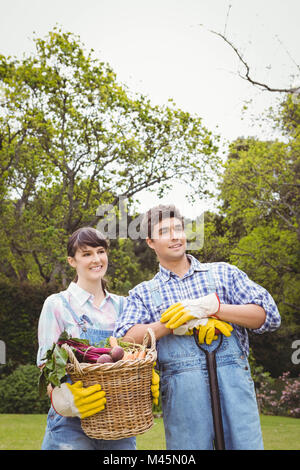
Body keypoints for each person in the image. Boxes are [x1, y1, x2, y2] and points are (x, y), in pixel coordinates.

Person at [114, 204, 281, 450]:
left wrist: (213, 309)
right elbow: (125, 341)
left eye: (178, 228)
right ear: (150, 242)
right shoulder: (144, 293)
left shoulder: (224, 274)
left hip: (234, 390)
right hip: (184, 399)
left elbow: (267, 316)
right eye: (164, 231)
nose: (175, 236)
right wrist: (170, 323)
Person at [37, 227, 158, 451]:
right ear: (72, 261)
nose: (96, 259)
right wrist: (67, 401)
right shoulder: (57, 305)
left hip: (119, 422)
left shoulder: (124, 305)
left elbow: (135, 355)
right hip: (70, 425)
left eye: (100, 251)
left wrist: (148, 374)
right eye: (86, 254)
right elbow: (47, 368)